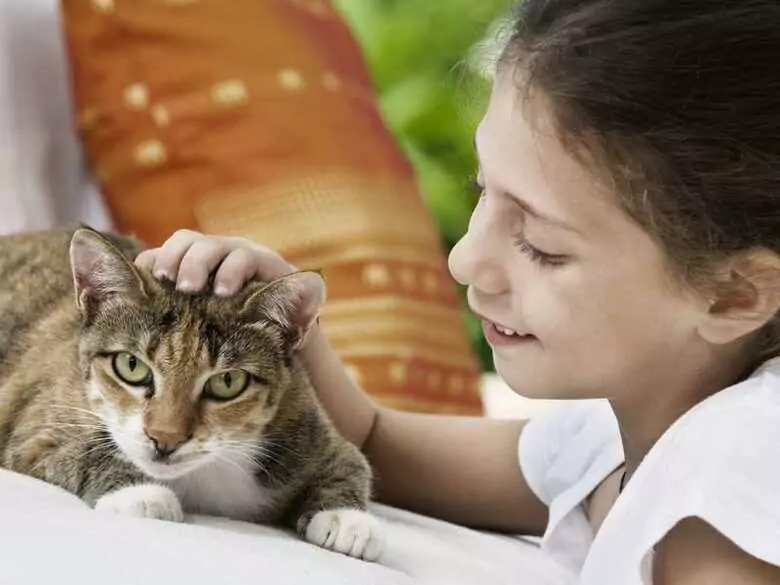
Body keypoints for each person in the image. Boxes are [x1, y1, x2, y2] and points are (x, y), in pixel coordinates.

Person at [134, 1, 780, 583]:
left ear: (733, 296)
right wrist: (281, 330)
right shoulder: (626, 424)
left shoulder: (733, 473)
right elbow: (376, 441)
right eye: (481, 194)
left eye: (541, 244)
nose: (467, 259)